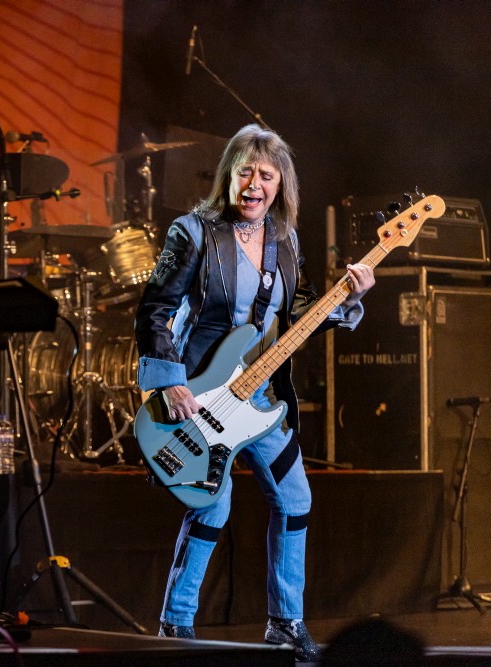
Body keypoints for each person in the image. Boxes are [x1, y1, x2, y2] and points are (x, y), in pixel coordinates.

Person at [134, 124, 375, 661]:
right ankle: (176, 626)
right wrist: (169, 381)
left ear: (280, 184)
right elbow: (153, 309)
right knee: (211, 511)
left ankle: (285, 623)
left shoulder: (286, 241)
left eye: (266, 174)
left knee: (295, 499)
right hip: (197, 393)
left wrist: (351, 296)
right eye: (245, 171)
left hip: (261, 400)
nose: (254, 184)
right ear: (228, 175)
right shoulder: (192, 232)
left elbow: (306, 313)